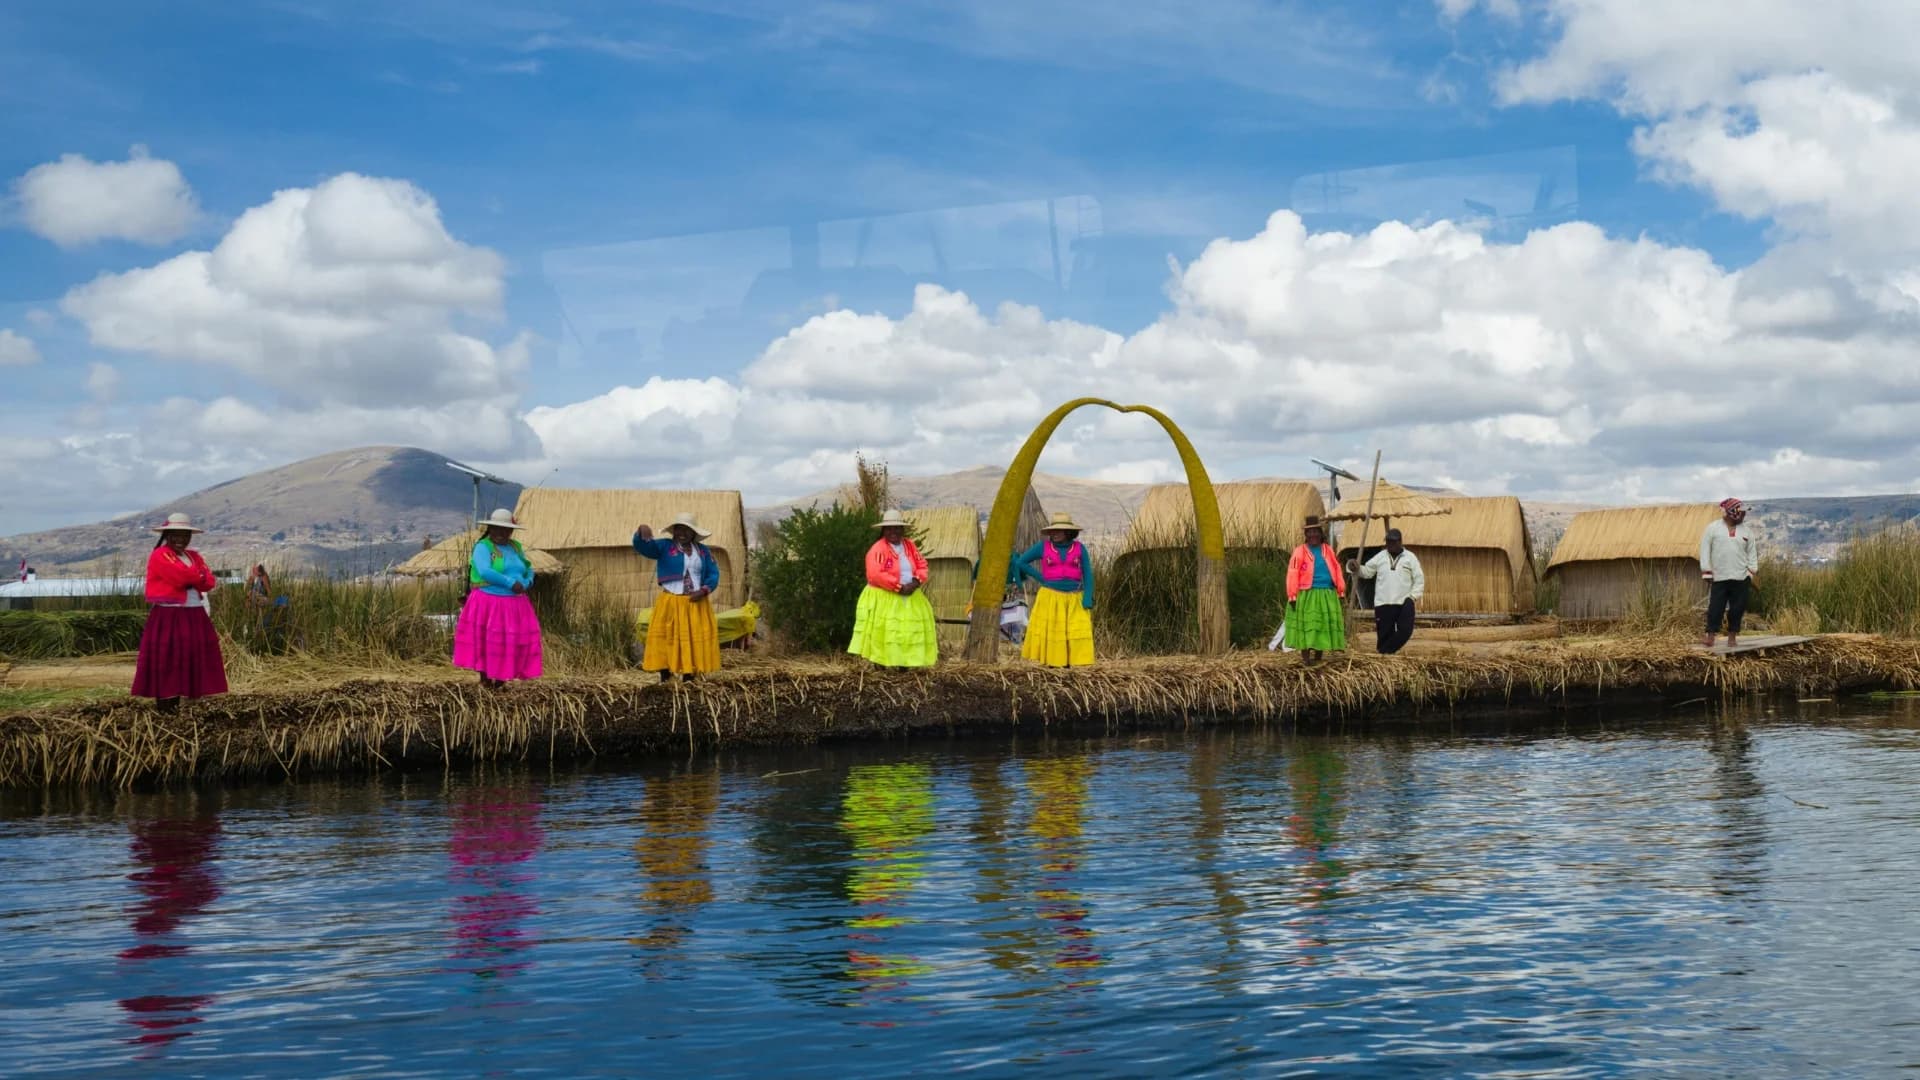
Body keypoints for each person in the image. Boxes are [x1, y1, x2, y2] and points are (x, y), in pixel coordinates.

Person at [132, 512, 228, 709]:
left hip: (195, 613)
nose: (180, 539)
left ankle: (189, 701)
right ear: (167, 535)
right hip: (170, 615)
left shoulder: (193, 556)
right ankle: (167, 705)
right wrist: (197, 575)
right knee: (169, 659)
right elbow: (180, 578)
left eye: (185, 535)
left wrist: (196, 576)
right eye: (175, 534)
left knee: (192, 657)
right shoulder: (160, 555)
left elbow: (209, 582)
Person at [452, 509, 543, 688]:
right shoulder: (483, 547)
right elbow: (485, 570)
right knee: (488, 640)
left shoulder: (515, 547)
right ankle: (485, 680)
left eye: (505, 530)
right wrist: (510, 583)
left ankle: (501, 681)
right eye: (496, 529)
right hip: (489, 602)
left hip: (515, 603)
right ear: (490, 528)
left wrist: (527, 581)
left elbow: (527, 568)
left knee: (511, 640)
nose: (500, 533)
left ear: (511, 531)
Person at [634, 512, 722, 682]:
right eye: (678, 529)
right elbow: (646, 547)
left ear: (693, 532)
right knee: (666, 637)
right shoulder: (665, 547)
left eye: (686, 529)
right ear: (673, 532)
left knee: (692, 638)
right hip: (671, 601)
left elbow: (713, 573)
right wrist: (640, 533)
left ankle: (690, 676)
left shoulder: (703, 551)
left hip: (696, 602)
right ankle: (666, 676)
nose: (681, 533)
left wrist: (704, 590)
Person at [848, 508, 939, 668]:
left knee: (908, 630)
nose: (893, 532)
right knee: (885, 630)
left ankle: (905, 663)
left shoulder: (909, 546)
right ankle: (881, 664)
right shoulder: (878, 549)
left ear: (902, 530)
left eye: (897, 528)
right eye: (889, 528)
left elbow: (922, 565)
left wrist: (916, 582)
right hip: (884, 596)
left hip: (910, 594)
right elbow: (875, 573)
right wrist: (898, 587)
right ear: (884, 530)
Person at [1012, 512, 1095, 668]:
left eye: (1059, 531)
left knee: (1074, 630)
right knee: (1053, 631)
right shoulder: (1043, 547)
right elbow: (1021, 562)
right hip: (1050, 597)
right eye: (1052, 531)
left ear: (1068, 532)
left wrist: (1088, 597)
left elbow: (1088, 574)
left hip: (1074, 597)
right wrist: (1042, 578)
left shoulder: (1079, 548)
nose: (1054, 534)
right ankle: (1054, 663)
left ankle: (1072, 663)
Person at [1284, 515, 1347, 664]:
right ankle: (1306, 659)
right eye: (1309, 532)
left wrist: (1341, 590)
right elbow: (1292, 573)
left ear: (1320, 533)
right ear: (1306, 535)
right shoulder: (1299, 551)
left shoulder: (1328, 550)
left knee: (1322, 625)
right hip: (1307, 594)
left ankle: (1318, 657)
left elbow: (1337, 569)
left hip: (1327, 593)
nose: (1313, 535)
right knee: (1307, 624)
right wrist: (1292, 595)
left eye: (1315, 531)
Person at [1701, 497, 1759, 648]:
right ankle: (1710, 635)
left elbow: (1752, 554)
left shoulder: (1747, 532)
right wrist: (1707, 571)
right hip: (1719, 576)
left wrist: (1751, 573)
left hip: (1741, 577)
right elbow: (1705, 551)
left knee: (1737, 609)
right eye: (1741, 513)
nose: (1744, 515)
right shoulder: (1712, 529)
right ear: (1732, 513)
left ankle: (1732, 636)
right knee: (1715, 607)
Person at [1356, 527, 1424, 655]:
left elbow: (1419, 579)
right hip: (1383, 603)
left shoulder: (1410, 557)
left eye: (1393, 542)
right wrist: (1356, 568)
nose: (1390, 545)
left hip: (1404, 602)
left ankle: (1384, 652)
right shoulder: (1381, 556)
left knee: (1405, 631)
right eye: (1388, 542)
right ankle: (1385, 659)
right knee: (1384, 635)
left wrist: (1412, 597)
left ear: (1400, 542)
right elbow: (1367, 572)